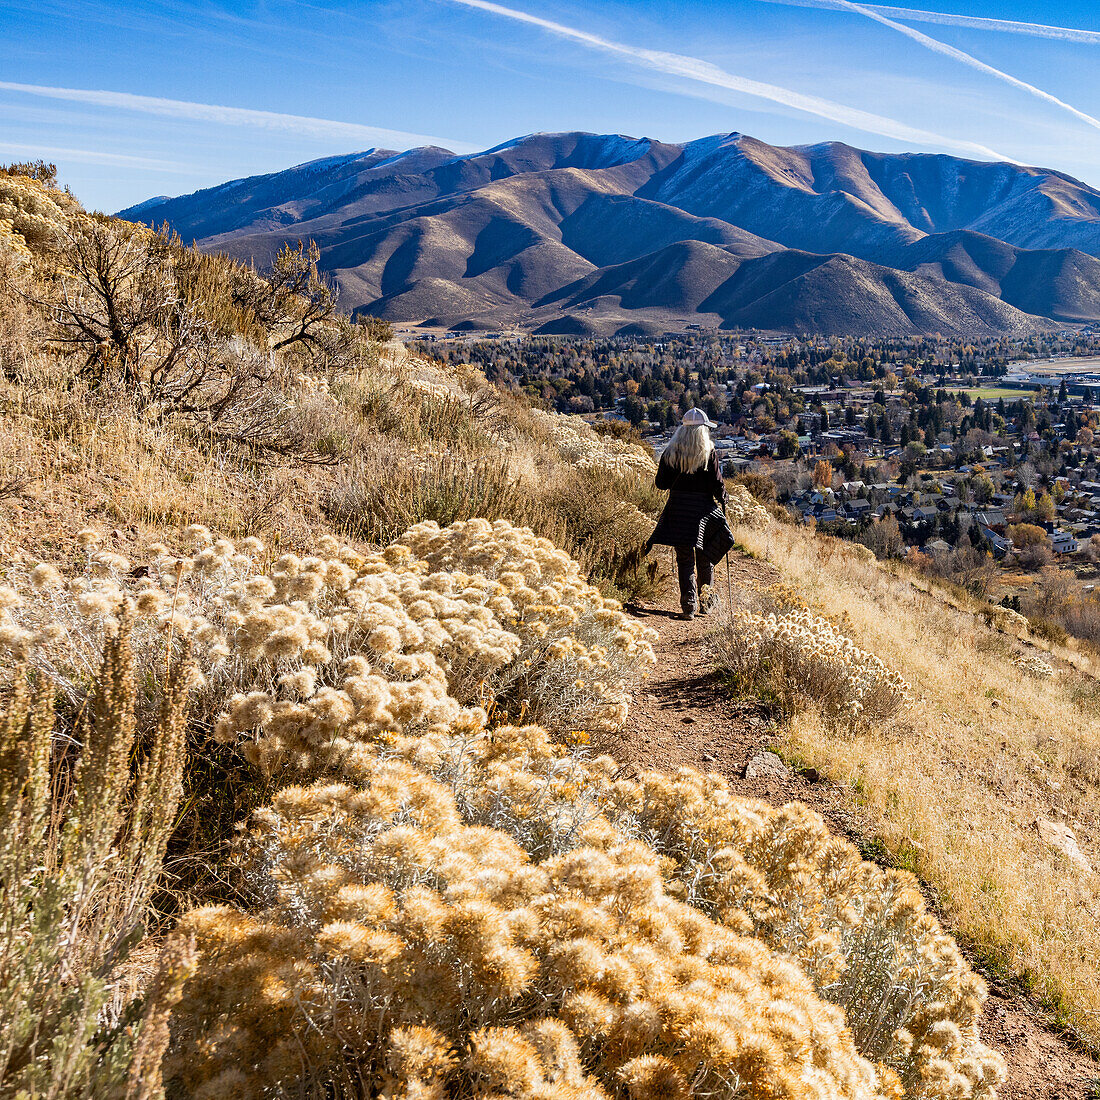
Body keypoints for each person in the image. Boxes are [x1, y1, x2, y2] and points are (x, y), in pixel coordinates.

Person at [646, 408, 730, 620]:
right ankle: (707, 602)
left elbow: (661, 484)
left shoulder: (670, 452)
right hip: (702, 511)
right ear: (703, 430)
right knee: (705, 557)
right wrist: (724, 497)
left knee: (684, 558)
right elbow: (717, 485)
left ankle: (688, 605)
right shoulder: (709, 453)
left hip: (678, 510)